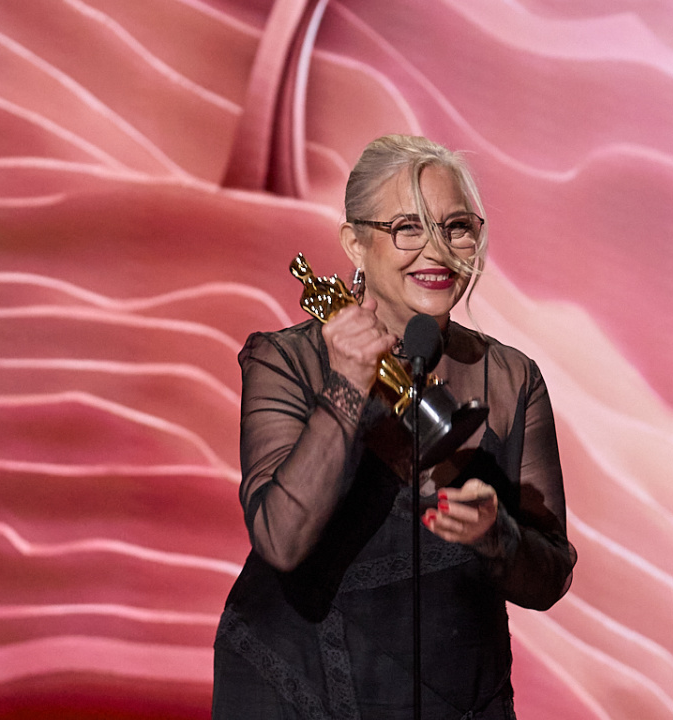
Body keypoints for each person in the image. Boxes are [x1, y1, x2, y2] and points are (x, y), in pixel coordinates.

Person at [213, 135, 576, 719]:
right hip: (296, 686)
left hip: (456, 695)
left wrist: (495, 535)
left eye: (456, 227)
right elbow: (280, 539)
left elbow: (551, 572)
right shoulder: (286, 360)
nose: (436, 250)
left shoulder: (510, 378)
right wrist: (347, 387)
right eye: (407, 227)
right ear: (355, 243)